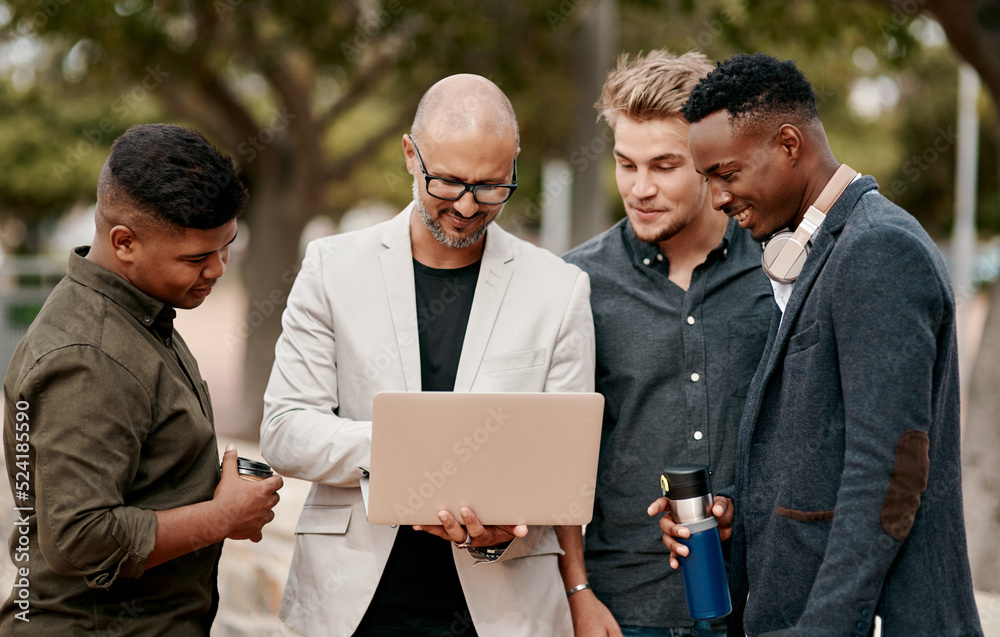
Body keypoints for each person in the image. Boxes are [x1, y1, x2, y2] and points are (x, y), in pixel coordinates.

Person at [651, 52, 984, 636]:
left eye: (725, 173)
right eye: (707, 180)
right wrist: (738, 511)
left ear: (787, 143)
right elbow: (817, 447)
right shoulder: (820, 252)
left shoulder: (878, 251)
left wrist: (825, 626)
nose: (718, 199)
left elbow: (889, 472)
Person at [259, 73, 596, 637]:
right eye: (448, 182)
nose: (467, 206)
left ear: (514, 164)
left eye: (491, 186)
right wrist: (412, 450)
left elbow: (565, 467)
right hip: (353, 609)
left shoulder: (560, 289)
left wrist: (506, 531)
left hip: (503, 612)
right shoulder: (330, 268)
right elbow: (286, 429)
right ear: (411, 156)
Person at [1, 124, 283, 634]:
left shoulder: (139, 314)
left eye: (227, 248)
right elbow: (79, 537)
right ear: (124, 242)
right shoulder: (89, 356)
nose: (218, 269)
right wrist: (222, 517)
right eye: (197, 258)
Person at [562, 50, 774, 637]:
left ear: (710, 161)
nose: (640, 188)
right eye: (626, 164)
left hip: (760, 606)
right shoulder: (575, 285)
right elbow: (555, 458)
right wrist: (577, 593)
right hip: (623, 610)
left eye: (664, 165)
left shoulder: (777, 272)